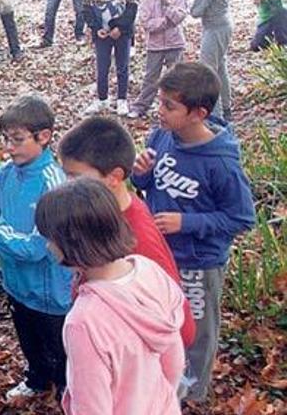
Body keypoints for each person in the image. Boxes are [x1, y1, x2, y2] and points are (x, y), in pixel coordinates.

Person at [131, 62, 255, 402]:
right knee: (163, 318)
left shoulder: (220, 162)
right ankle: (165, 378)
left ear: (199, 113)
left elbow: (241, 217)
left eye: (169, 106)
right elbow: (147, 184)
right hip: (161, 253)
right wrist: (141, 175)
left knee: (196, 329)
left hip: (199, 262)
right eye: (159, 102)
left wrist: (187, 223)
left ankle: (193, 391)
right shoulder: (162, 136)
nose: (160, 112)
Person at [35, 178, 186, 415]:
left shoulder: (84, 322)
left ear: (72, 243)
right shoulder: (150, 271)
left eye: (50, 239)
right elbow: (174, 360)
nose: (48, 247)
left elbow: (91, 408)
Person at [58, 116, 196, 347]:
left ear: (114, 177)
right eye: (66, 174)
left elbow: (181, 329)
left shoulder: (137, 241)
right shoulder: (108, 212)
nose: (67, 184)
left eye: (75, 176)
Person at [0, 95, 71, 399]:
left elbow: (37, 247)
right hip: (16, 283)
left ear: (43, 137)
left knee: (59, 348)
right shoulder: (4, 173)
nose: (9, 147)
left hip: (49, 293)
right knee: (28, 339)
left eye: (18, 139)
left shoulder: (52, 183)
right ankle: (37, 379)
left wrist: (0, 234)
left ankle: (67, 392)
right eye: (6, 139)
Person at [79, 0, 138, 116]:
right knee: (102, 66)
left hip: (122, 32)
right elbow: (86, 8)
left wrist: (120, 27)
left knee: (122, 66)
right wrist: (96, 28)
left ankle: (122, 99)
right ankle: (102, 98)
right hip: (102, 33)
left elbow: (132, 7)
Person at [129, 0, 188, 119]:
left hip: (175, 43)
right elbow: (147, 23)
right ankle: (141, 106)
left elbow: (178, 18)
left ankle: (177, 106)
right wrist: (164, 22)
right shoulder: (147, 2)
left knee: (176, 77)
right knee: (151, 77)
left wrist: (167, 3)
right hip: (155, 46)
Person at [191, 0, 240, 121]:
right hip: (227, 23)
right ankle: (226, 106)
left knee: (209, 71)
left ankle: (216, 113)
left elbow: (196, 10)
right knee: (221, 67)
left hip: (213, 28)